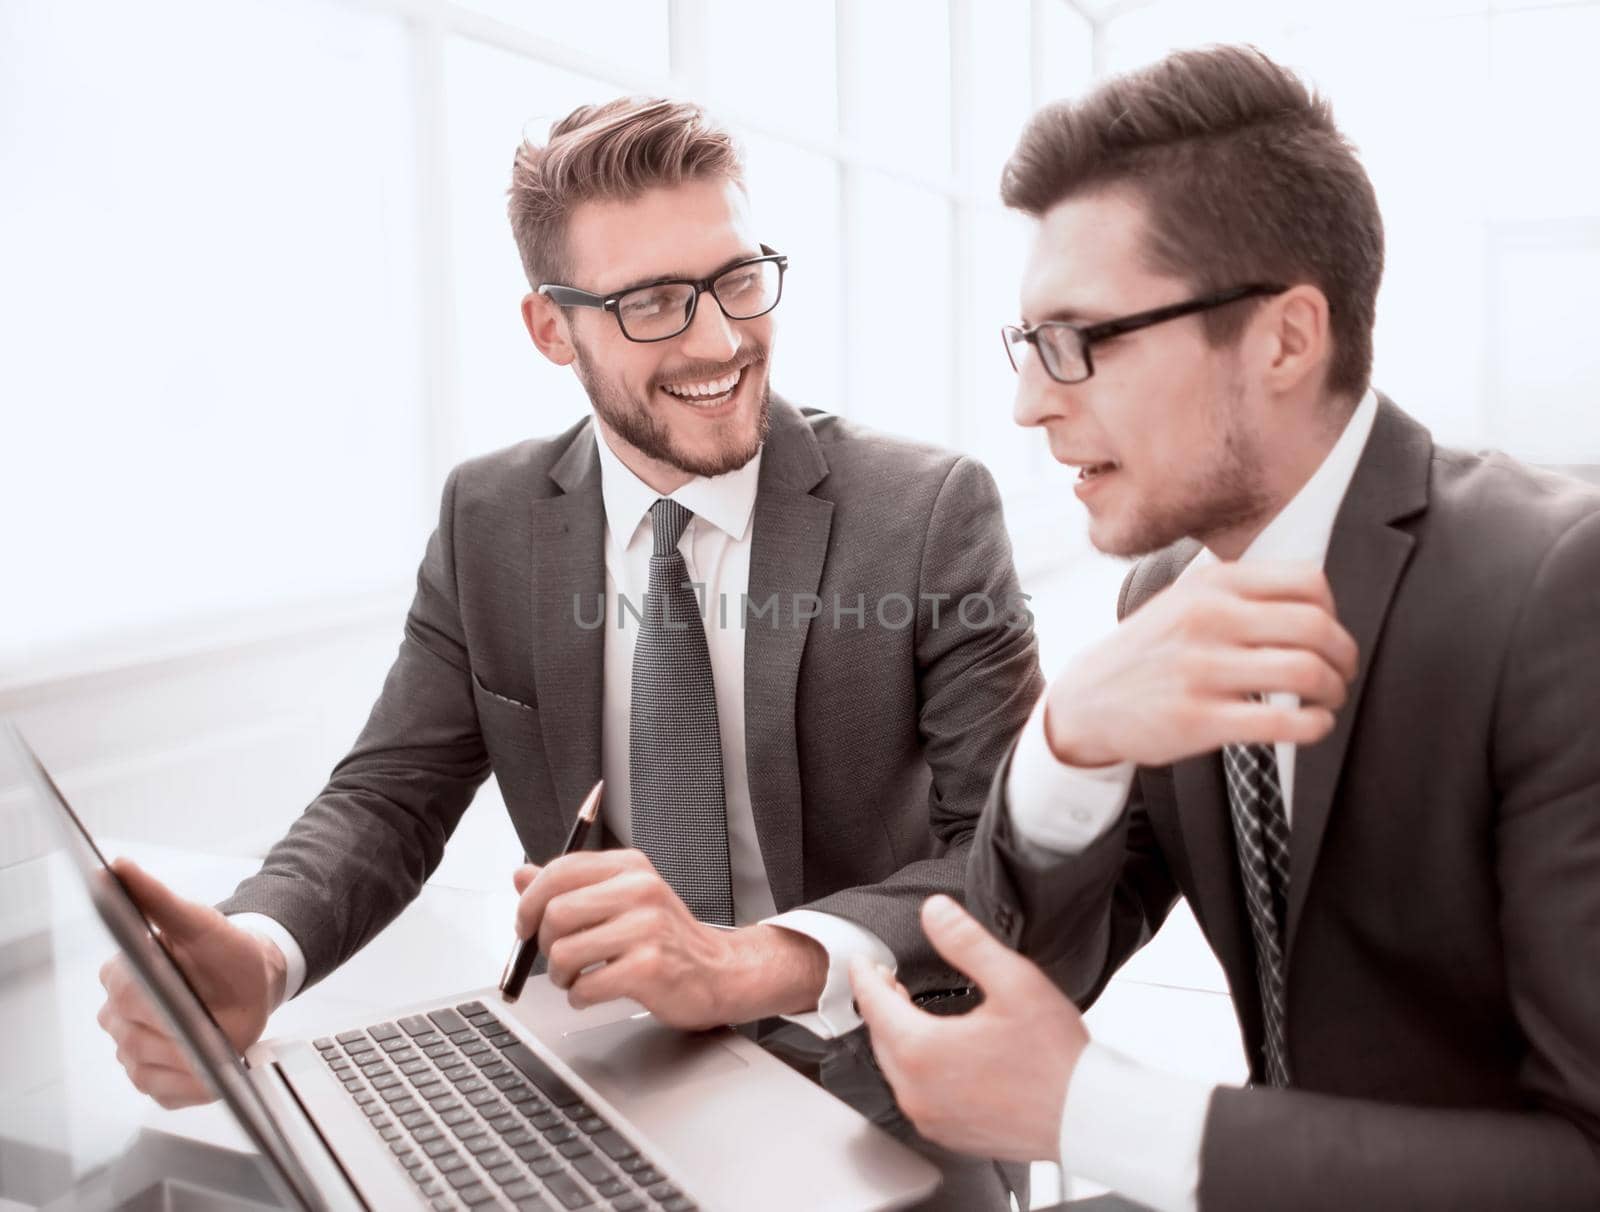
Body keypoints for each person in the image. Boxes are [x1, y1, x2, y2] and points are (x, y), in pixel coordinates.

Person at [96, 96, 1042, 1208]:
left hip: (881, 1077)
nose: (720, 339)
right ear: (552, 329)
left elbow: (1007, 860)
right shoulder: (489, 518)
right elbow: (391, 795)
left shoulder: (925, 512)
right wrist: (260, 954)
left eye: (737, 279)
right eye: (651, 303)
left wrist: (750, 963)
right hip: (600, 1064)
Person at [849, 44, 1600, 1211]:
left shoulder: (1555, 588)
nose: (1030, 402)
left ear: (1285, 340)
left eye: (1079, 341)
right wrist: (1066, 745)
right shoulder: (1165, 598)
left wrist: (1091, 1112)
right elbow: (1034, 969)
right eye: (1027, 345)